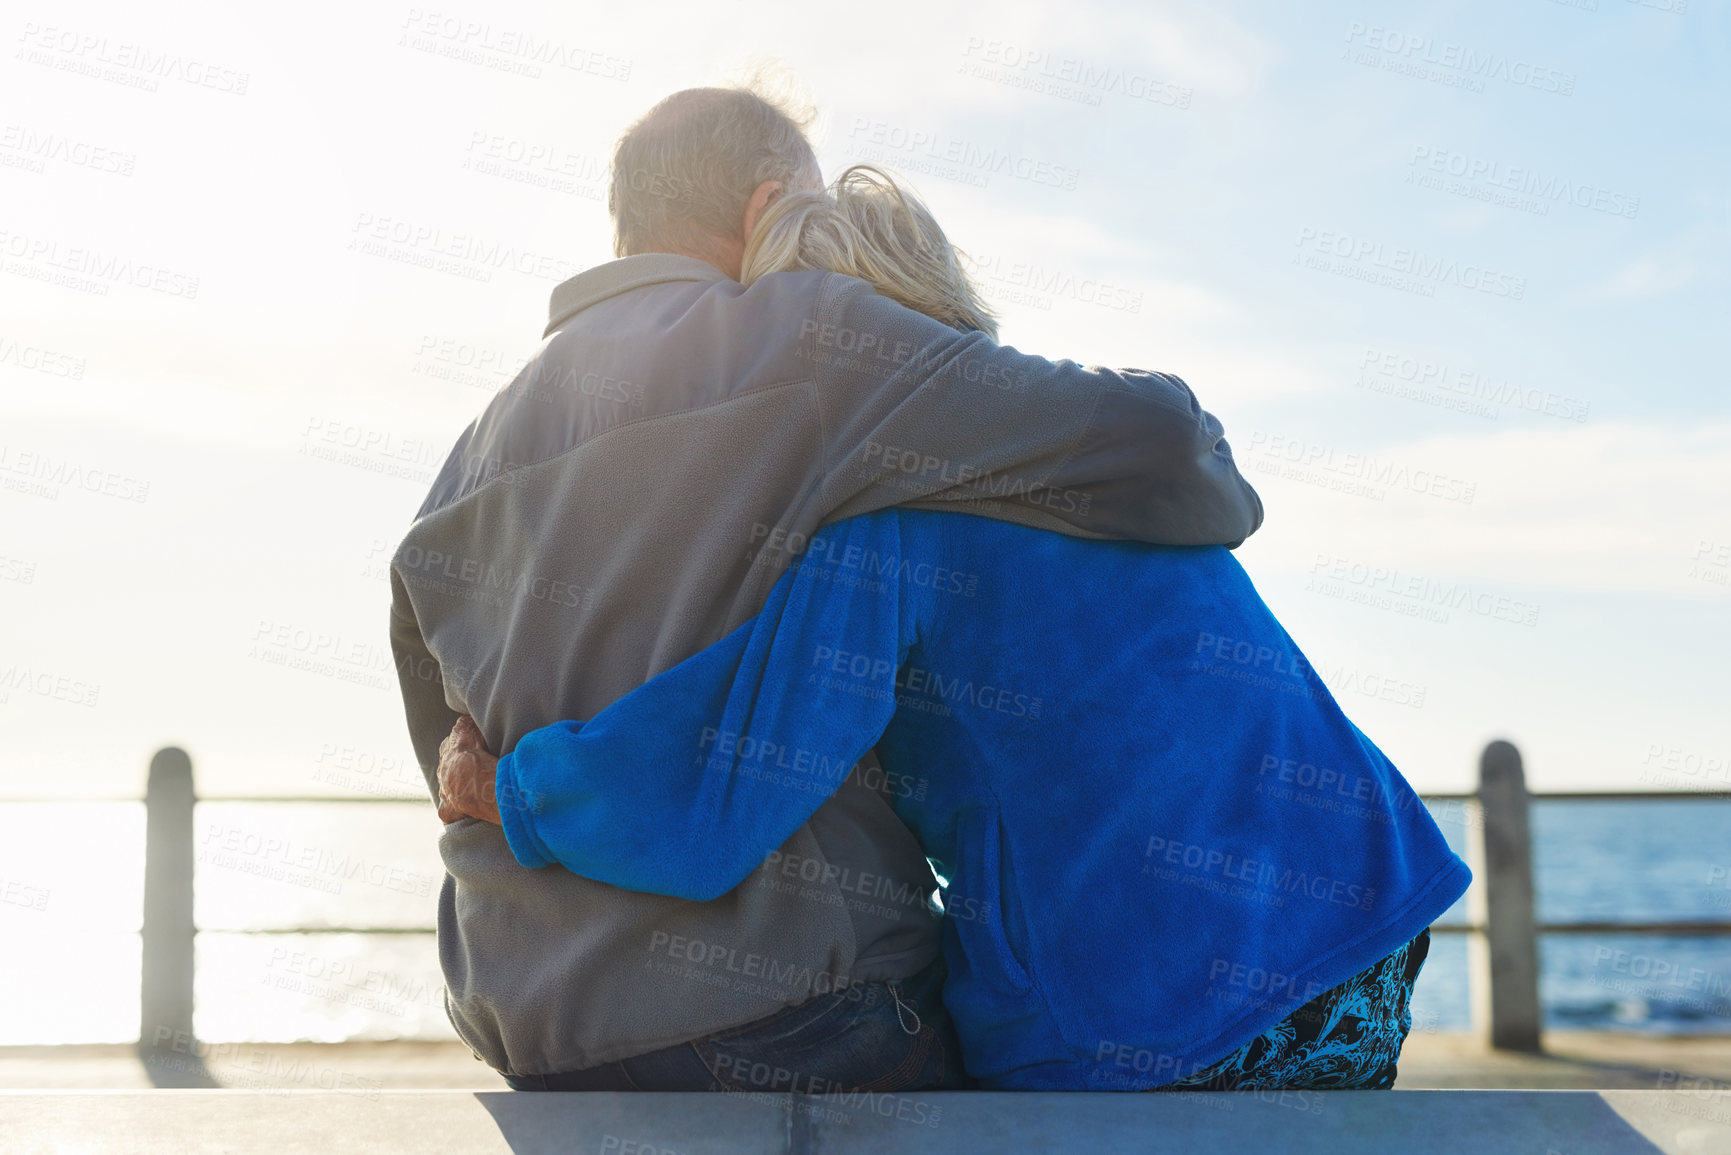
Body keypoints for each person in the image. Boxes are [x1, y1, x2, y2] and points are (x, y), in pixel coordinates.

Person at [435, 166, 1470, 1092]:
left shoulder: (887, 529)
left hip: (1155, 1020)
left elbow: (722, 790)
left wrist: (512, 787)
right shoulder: (1094, 472)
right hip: (1366, 930)